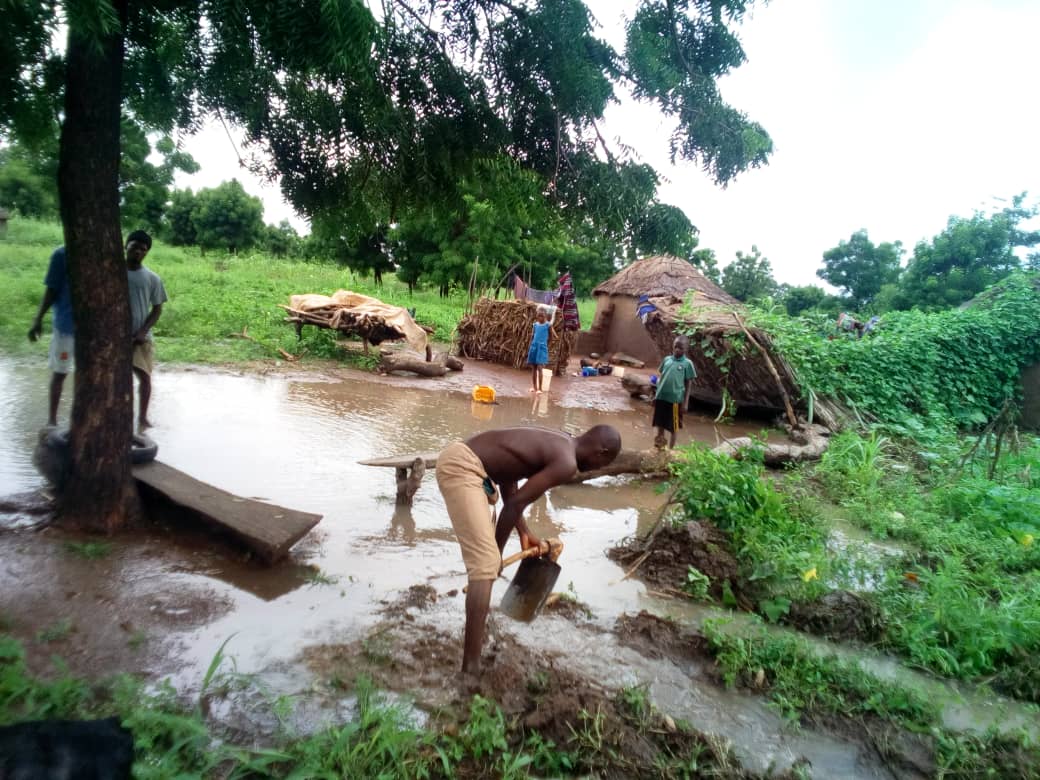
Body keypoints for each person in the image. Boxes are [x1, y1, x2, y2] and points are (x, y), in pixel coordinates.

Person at [435, 425, 622, 676]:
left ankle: (474, 645)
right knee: (485, 565)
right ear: (601, 452)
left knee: (486, 564)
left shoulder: (562, 441)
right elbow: (513, 504)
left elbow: (509, 480)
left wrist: (523, 531)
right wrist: (497, 555)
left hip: (478, 473)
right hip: (464, 468)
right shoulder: (566, 462)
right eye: (603, 463)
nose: (599, 468)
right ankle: (471, 669)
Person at [125, 230, 167, 430]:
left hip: (141, 338)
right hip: (116, 337)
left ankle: (142, 418)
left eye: (143, 249)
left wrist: (142, 331)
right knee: (119, 380)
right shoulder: (112, 272)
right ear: (126, 246)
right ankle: (122, 418)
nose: (138, 252)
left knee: (145, 378)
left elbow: (157, 309)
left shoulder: (152, 278)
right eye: (135, 247)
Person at [28, 246, 74, 427]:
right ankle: (52, 420)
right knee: (60, 372)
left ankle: (79, 420)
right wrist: (37, 319)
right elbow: (51, 290)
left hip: (93, 331)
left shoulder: (102, 251)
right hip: (66, 326)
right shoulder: (61, 255)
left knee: (89, 375)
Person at [652, 337, 696, 449]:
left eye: (680, 348)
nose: (677, 350)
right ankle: (660, 448)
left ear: (686, 349)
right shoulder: (667, 359)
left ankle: (671, 451)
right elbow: (661, 377)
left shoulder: (687, 364)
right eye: (675, 346)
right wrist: (655, 395)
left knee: (673, 427)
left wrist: (685, 403)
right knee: (660, 423)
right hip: (661, 397)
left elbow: (689, 383)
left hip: (675, 400)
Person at [527, 308, 551, 393]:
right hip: (534, 347)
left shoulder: (548, 325)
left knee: (540, 368)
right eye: (539, 316)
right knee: (534, 368)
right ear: (537, 316)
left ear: (545, 316)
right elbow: (532, 336)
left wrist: (545, 343)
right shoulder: (535, 325)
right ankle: (534, 387)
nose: (540, 318)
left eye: (542, 316)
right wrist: (531, 346)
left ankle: (540, 388)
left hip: (542, 348)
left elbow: (553, 336)